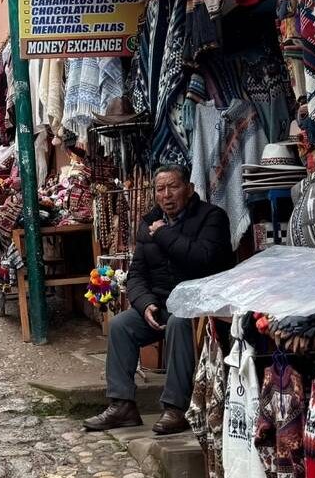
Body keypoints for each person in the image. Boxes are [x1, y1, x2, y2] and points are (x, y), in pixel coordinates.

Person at [84, 165, 234, 434]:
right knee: (121, 325)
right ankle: (122, 405)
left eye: (173, 187)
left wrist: (163, 233)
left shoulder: (212, 217)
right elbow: (137, 275)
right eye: (160, 189)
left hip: (200, 304)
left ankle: (175, 408)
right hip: (162, 304)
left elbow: (203, 258)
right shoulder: (149, 222)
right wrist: (144, 304)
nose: (166, 195)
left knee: (179, 322)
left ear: (189, 189)